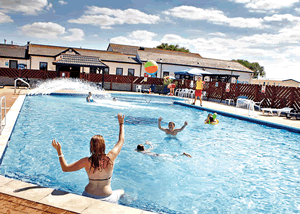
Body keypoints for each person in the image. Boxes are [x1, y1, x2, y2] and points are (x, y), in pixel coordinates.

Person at [52, 113, 125, 204]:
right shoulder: (110, 157)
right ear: (104, 146)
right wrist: (121, 123)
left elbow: (65, 168)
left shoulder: (86, 161)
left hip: (88, 196)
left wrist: (59, 151)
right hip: (107, 198)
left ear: (91, 147)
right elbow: (121, 140)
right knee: (121, 191)